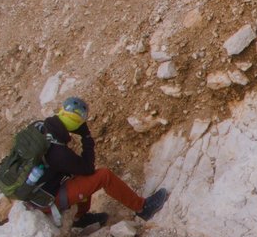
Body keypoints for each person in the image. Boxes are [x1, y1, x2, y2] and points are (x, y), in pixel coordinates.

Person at [40, 97, 166, 228]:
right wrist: (86, 138)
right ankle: (143, 208)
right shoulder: (59, 152)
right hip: (47, 199)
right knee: (103, 176)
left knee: (80, 175)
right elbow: (88, 169)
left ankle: (80, 217)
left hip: (36, 191)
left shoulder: (42, 127)